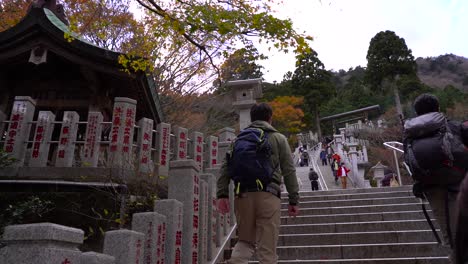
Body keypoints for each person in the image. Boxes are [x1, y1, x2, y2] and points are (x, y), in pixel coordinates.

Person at [216, 103, 300, 264]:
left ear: (252, 119)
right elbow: (289, 171)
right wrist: (293, 200)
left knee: (245, 241)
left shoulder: (238, 140)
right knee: (267, 249)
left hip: (243, 195)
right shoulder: (279, 138)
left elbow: (225, 168)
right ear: (270, 118)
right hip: (269, 195)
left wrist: (222, 194)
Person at [408, 94, 468, 263]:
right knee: (461, 226)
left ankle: (454, 254)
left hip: (430, 185)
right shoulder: (452, 126)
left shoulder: (411, 134)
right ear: (438, 108)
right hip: (457, 181)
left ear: (417, 112)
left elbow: (409, 160)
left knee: (446, 229)